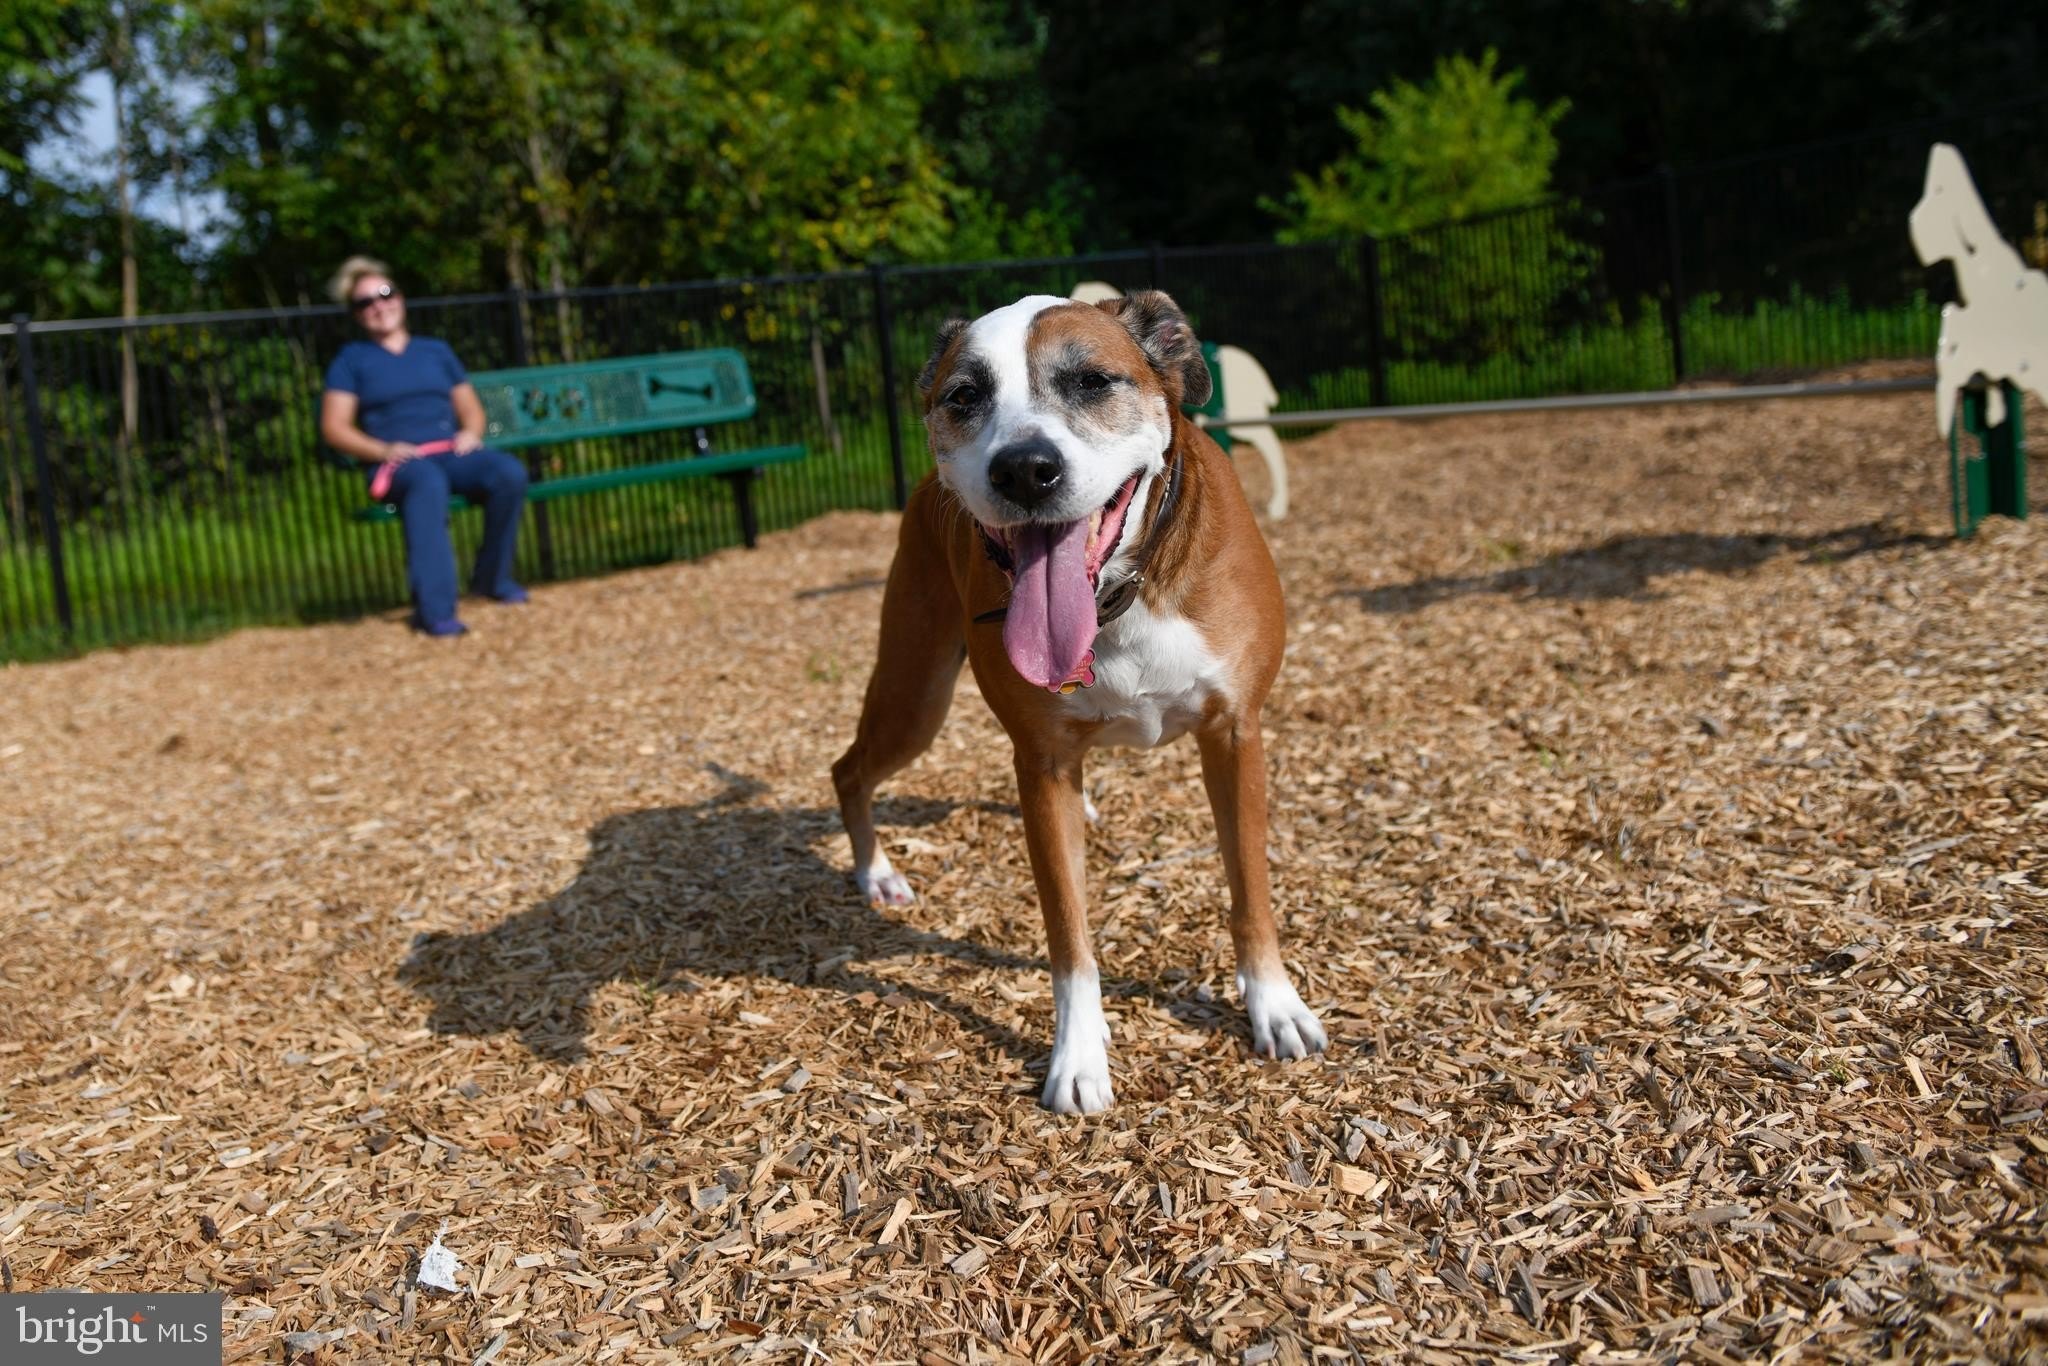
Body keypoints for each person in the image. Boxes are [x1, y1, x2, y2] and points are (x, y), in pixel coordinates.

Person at [319, 256, 529, 636]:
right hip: (399, 463)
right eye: (365, 302)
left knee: (508, 473)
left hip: (449, 451)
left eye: (385, 294)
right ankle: (435, 611)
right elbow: (334, 427)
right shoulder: (351, 361)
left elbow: (470, 409)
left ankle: (492, 579)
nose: (379, 306)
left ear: (400, 297)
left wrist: (471, 432)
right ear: (356, 314)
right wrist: (383, 451)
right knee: (427, 482)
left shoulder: (436, 351)